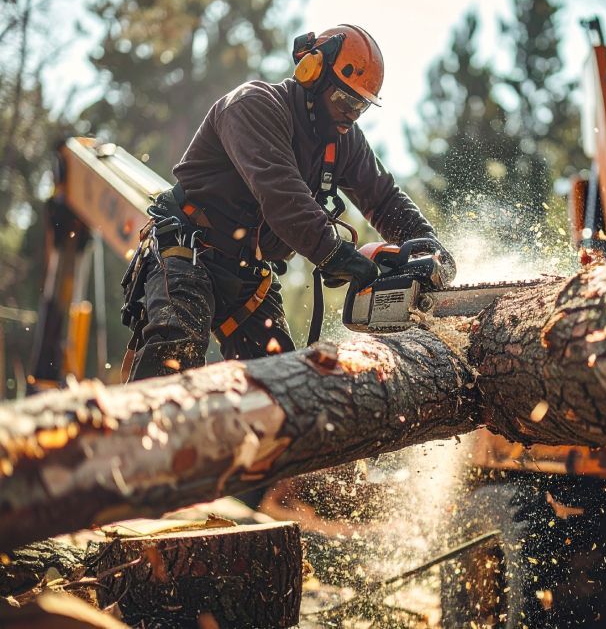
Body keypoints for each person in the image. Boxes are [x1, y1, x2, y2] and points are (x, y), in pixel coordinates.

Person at [121, 24, 455, 382]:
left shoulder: (344, 142)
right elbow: (282, 195)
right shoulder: (253, 106)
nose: (350, 115)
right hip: (190, 251)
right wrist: (334, 253)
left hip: (248, 273)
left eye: (359, 106)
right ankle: (133, 432)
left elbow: (384, 198)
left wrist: (425, 245)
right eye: (345, 100)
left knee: (280, 379)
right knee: (176, 350)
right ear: (312, 73)